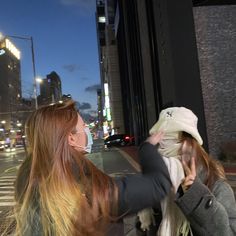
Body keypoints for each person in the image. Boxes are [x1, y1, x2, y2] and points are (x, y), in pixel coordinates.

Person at [7, 100, 171, 236]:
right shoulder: (94, 192)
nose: (88, 131)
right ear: (71, 138)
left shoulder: (27, 188)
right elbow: (158, 183)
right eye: (84, 126)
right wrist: (148, 147)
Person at [137, 107, 236, 236]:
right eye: (161, 140)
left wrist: (195, 196)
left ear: (190, 143)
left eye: (171, 139)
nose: (163, 146)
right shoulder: (155, 182)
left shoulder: (215, 185)